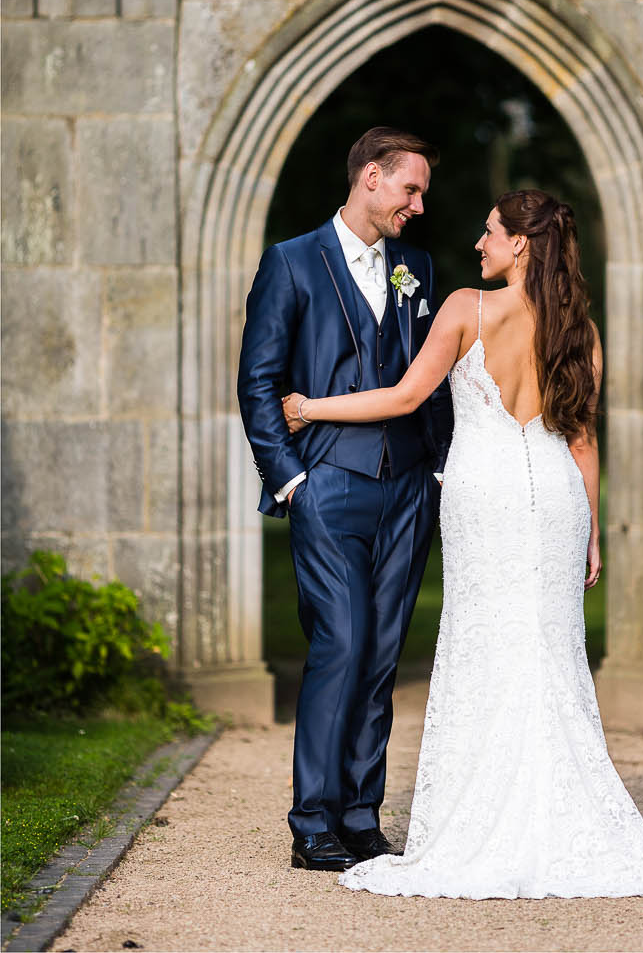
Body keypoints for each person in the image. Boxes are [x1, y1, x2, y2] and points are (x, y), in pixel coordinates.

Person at [280, 188, 643, 900]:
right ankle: (555, 814)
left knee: (487, 646)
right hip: (556, 499)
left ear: (521, 244)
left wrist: (311, 407)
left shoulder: (468, 307)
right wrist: (590, 531)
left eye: (490, 232)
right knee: (549, 649)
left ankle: (488, 817)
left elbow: (405, 397)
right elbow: (583, 439)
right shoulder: (582, 331)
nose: (479, 244)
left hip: (485, 497)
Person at [238, 126, 453, 872]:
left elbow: (429, 384)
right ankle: (313, 820)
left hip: (406, 492)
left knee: (384, 653)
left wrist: (437, 471)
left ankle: (362, 815)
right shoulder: (292, 263)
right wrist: (291, 478)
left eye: (420, 192)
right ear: (370, 178)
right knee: (342, 642)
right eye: (410, 189)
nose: (419, 205)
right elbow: (259, 381)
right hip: (327, 485)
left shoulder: (415, 269)